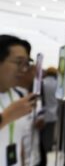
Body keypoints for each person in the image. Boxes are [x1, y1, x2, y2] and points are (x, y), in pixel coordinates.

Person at [0, 35, 36, 166]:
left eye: (26, 63)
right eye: (18, 62)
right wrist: (6, 117)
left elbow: (19, 140)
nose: (24, 69)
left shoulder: (19, 95)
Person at [42, 67, 58, 152]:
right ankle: (48, 147)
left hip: (43, 110)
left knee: (42, 132)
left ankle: (43, 147)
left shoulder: (43, 82)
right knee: (50, 131)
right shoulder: (57, 84)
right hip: (54, 110)